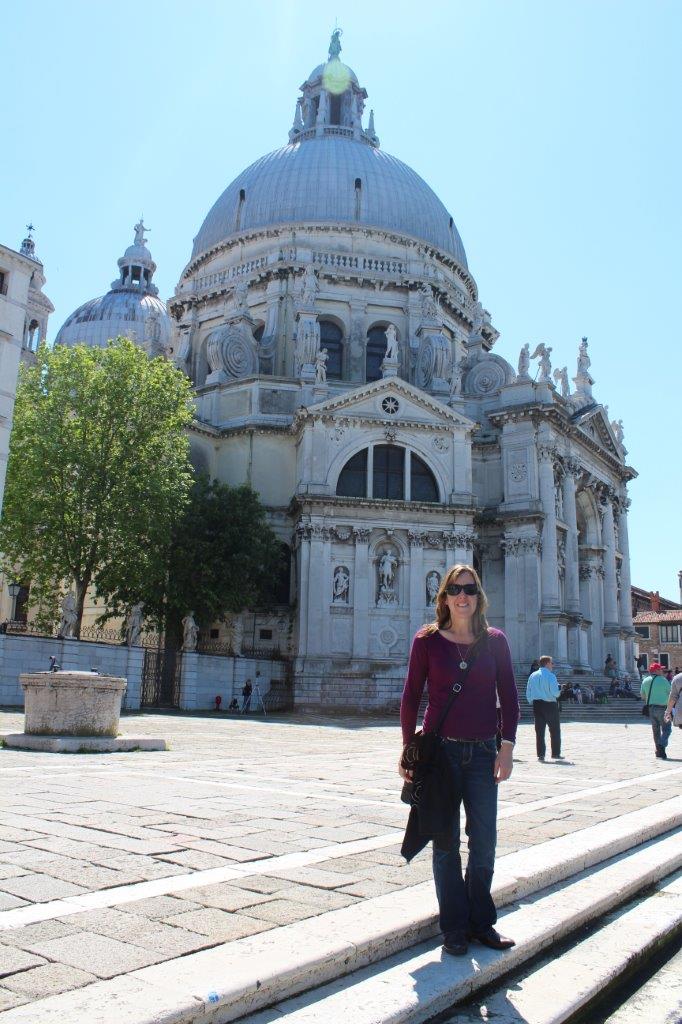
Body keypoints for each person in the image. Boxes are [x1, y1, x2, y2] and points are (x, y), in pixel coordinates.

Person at [399, 564, 520, 958]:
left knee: (484, 842)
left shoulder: (496, 641)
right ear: (445, 597)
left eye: (469, 588)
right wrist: (408, 749)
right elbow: (411, 696)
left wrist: (507, 747)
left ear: (478, 595)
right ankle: (454, 926)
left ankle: (480, 922)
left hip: (485, 752)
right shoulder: (427, 641)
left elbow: (510, 696)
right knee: (446, 843)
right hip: (442, 755)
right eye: (455, 589)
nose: (462, 596)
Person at [526, 656, 563, 762]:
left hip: (537, 705)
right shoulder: (551, 676)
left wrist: (531, 700)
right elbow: (555, 693)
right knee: (555, 730)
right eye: (552, 663)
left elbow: (528, 690)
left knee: (539, 731)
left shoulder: (533, 675)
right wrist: (559, 689)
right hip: (550, 704)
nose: (553, 665)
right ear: (547, 663)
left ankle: (541, 755)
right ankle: (555, 753)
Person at [640, 663, 672, 759]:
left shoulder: (645, 680)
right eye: (660, 669)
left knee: (656, 730)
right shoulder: (663, 680)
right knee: (667, 729)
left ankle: (658, 751)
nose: (662, 671)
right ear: (657, 671)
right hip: (663, 709)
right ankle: (662, 745)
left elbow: (642, 695)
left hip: (651, 709)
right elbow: (670, 693)